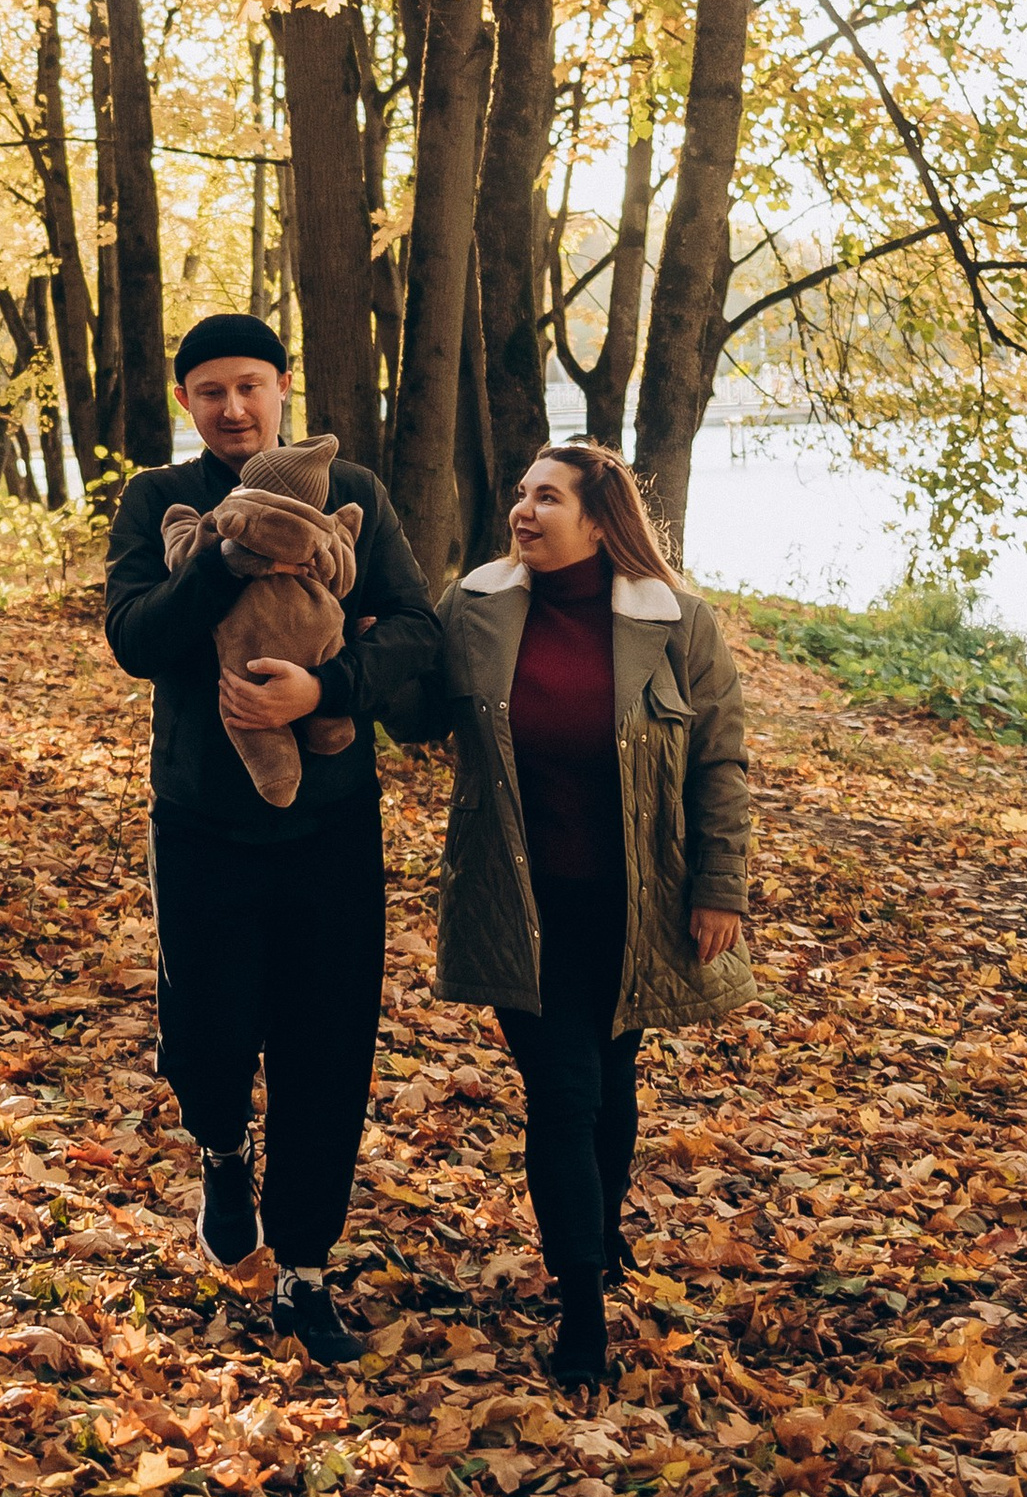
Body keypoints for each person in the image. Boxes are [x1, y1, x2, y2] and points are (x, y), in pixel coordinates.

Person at [103, 314, 444, 1364]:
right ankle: (219, 1147)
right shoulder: (159, 501)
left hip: (329, 829)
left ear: (282, 387)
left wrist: (325, 688)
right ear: (187, 405)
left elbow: (418, 634)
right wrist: (225, 558)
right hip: (200, 822)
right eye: (210, 392)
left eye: (249, 385)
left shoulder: (358, 498)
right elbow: (133, 638)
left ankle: (304, 1269)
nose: (233, 407)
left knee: (325, 1047)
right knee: (204, 1036)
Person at [436, 439, 754, 1392]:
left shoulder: (677, 624)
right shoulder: (476, 608)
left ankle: (602, 1232)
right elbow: (412, 706)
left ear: (599, 519)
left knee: (614, 1078)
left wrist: (719, 886)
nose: (523, 513)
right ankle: (582, 1304)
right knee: (564, 1093)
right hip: (517, 901)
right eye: (521, 496)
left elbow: (720, 764)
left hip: (636, 905)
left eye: (547, 499)